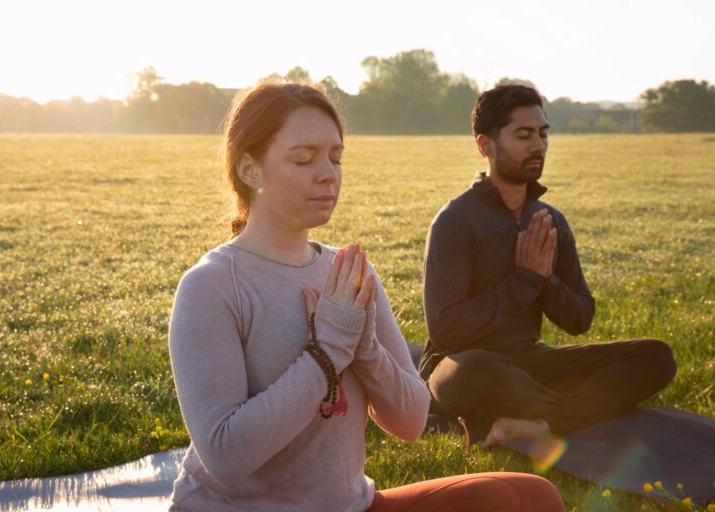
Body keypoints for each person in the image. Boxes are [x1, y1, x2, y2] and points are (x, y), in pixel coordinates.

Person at [168, 80, 566, 511]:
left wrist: (364, 348)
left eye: (335, 158)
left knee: (531, 497)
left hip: (350, 505)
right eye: (303, 159)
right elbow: (226, 458)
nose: (328, 173)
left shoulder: (350, 273)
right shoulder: (212, 285)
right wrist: (327, 352)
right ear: (249, 169)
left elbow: (411, 421)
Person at [419, 84, 677, 448]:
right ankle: (575, 411)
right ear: (485, 145)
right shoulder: (455, 221)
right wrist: (525, 280)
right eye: (523, 135)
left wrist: (545, 281)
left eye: (543, 134)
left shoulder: (550, 220)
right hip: (461, 365)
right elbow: (447, 331)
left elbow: (579, 319)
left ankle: (541, 423)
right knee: (475, 371)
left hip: (530, 363)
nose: (538, 146)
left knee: (655, 356)